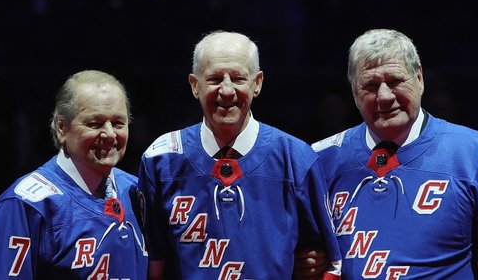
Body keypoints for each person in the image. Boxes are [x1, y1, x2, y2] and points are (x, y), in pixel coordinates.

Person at [311, 29, 478, 279]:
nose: (384, 96)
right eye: (370, 86)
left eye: (395, 81)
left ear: (419, 78)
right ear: (353, 92)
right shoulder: (319, 159)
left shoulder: (475, 152)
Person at [137, 30, 342, 279]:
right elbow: (152, 265)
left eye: (237, 78)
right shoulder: (161, 159)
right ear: (194, 85)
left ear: (257, 83)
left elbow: (325, 265)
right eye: (214, 79)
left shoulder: (296, 158)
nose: (226, 90)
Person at [0, 70, 148, 279]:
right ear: (61, 128)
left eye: (118, 123)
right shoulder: (25, 205)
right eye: (95, 123)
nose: (110, 134)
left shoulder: (137, 192)